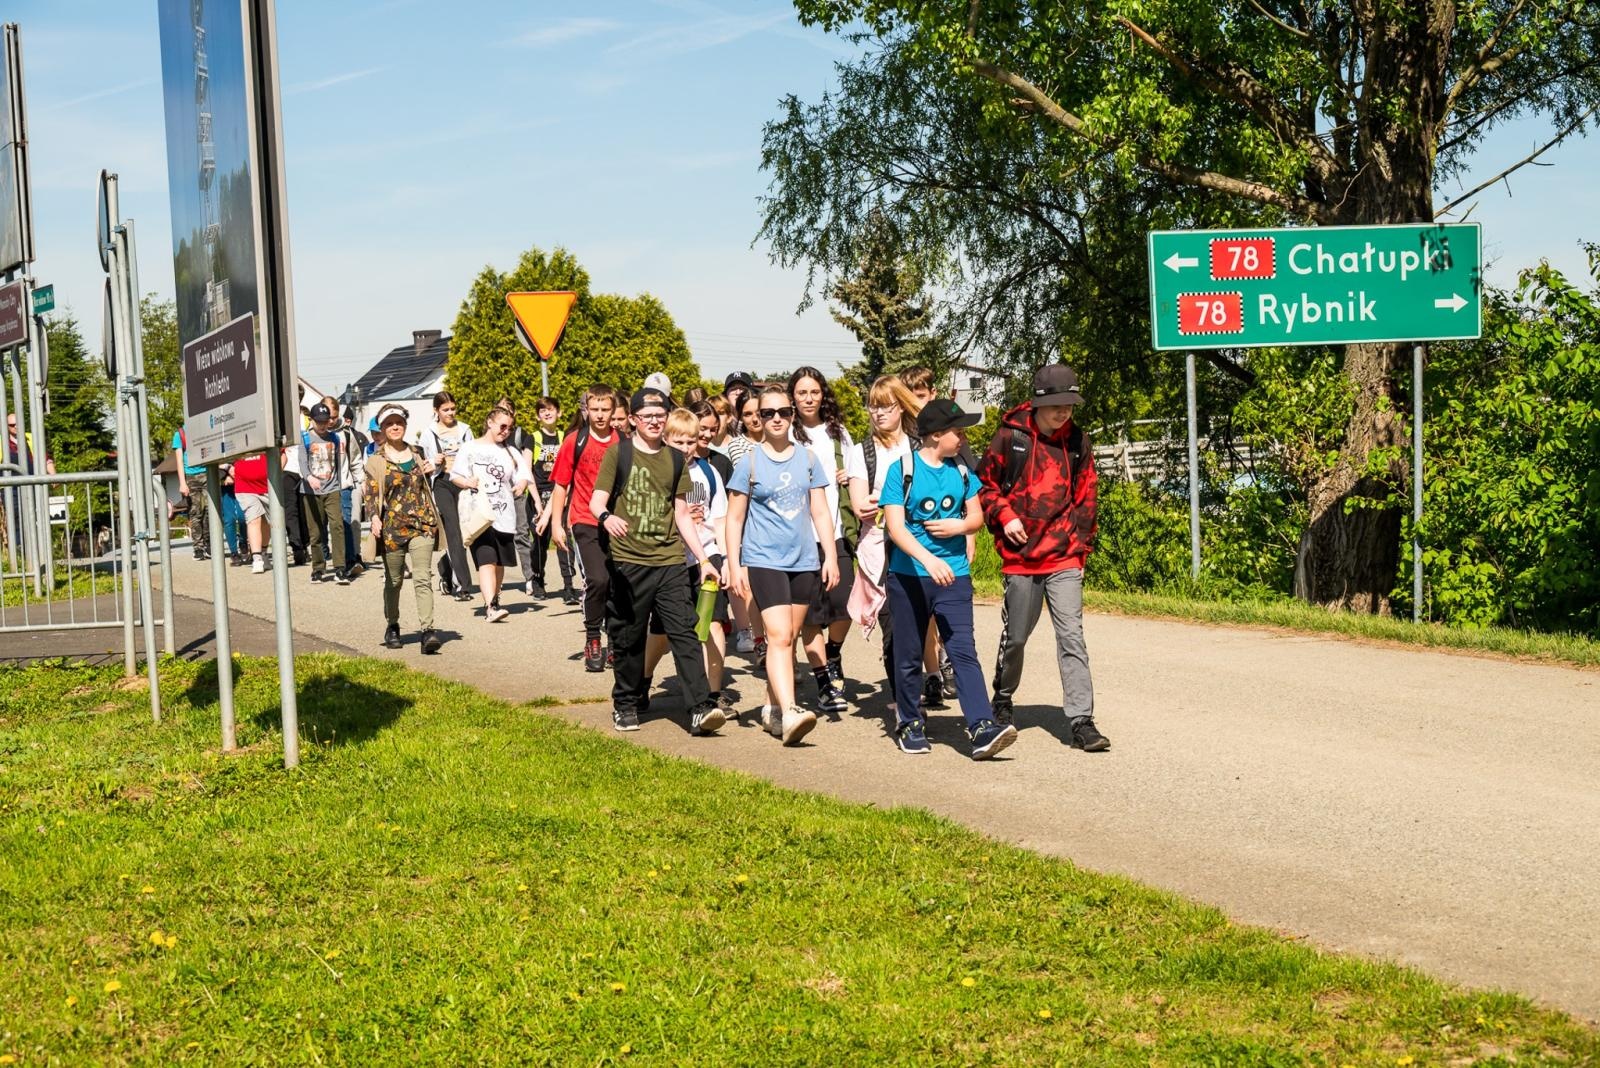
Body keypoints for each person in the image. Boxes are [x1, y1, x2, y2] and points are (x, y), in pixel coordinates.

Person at [978, 364, 1108, 751]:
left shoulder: (1077, 441)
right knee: (1016, 637)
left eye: (1069, 404)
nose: (1064, 412)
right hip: (1021, 557)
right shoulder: (1010, 437)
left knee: (1072, 637)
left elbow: (1087, 496)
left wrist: (1081, 547)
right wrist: (1005, 515)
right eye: (1056, 405)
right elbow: (984, 486)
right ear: (1038, 403)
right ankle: (1002, 699)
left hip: (1065, 554)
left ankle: (1082, 720)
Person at [881, 398, 1016, 759]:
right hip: (908, 576)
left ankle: (981, 726)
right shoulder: (903, 470)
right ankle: (909, 722)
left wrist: (962, 525)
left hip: (955, 575)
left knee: (962, 650)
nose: (964, 437)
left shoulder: (961, 470)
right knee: (909, 653)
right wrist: (927, 559)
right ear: (936, 435)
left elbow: (976, 517)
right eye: (958, 431)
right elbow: (895, 528)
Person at [590, 388, 725, 736]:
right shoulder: (617, 455)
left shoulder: (676, 460)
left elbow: (682, 515)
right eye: (647, 415)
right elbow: (597, 500)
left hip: (669, 562)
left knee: (684, 633)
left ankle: (700, 708)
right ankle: (626, 703)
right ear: (633, 419)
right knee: (629, 638)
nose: (654, 421)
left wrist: (704, 559)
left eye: (659, 415)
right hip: (628, 561)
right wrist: (606, 517)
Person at [726, 385, 839, 745]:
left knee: (788, 639)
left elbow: (820, 510)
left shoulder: (807, 459)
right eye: (768, 413)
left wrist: (830, 556)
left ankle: (772, 708)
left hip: (804, 560)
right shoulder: (750, 462)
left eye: (783, 412)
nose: (776, 419)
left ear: (792, 415)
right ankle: (790, 710)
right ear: (758, 418)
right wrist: (735, 563)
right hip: (763, 560)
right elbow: (733, 519)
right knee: (777, 636)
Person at [641, 407, 733, 712]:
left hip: (707, 556)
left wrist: (728, 560)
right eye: (679, 442)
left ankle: (712, 693)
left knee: (713, 624)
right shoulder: (655, 471)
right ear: (666, 440)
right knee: (664, 632)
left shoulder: (708, 473)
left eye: (691, 442)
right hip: (670, 560)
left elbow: (721, 519)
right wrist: (677, 518)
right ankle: (644, 677)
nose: (686, 448)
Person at [845, 374, 920, 693]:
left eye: (885, 406)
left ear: (901, 407)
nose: (877, 413)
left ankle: (921, 684)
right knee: (892, 625)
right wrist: (888, 504)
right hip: (879, 552)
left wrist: (889, 502)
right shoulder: (862, 452)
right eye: (872, 407)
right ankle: (906, 700)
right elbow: (860, 505)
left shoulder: (919, 447)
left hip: (920, 547)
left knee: (918, 625)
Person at [788, 366, 854, 714]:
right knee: (811, 615)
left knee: (846, 603)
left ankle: (833, 653)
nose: (809, 398)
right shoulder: (787, 433)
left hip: (837, 532)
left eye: (814, 392)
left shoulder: (837, 432)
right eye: (802, 393)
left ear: (822, 394)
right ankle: (824, 681)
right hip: (799, 537)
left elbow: (855, 470)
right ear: (793, 398)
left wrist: (847, 474)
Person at [547, 386, 620, 668]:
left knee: (617, 582)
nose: (600, 416)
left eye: (605, 410)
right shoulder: (574, 441)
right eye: (595, 410)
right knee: (598, 579)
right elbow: (561, 486)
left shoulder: (622, 442)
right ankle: (593, 637)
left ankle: (614, 642)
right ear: (586, 410)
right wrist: (556, 524)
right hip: (584, 520)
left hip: (616, 523)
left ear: (613, 412)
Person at [364, 404, 442, 654]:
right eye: (389, 424)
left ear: (405, 426)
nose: (395, 427)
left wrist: (434, 469)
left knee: (422, 577)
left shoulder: (417, 453)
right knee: (394, 580)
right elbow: (371, 494)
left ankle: (428, 631)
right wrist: (375, 517)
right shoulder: (376, 461)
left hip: (422, 524)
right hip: (393, 528)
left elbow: (428, 482)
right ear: (383, 429)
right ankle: (393, 625)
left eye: (398, 422)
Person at [451, 407, 531, 623]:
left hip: (504, 515)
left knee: (499, 562)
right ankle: (490, 606)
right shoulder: (470, 448)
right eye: (502, 426)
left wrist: (521, 485)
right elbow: (455, 475)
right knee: (486, 559)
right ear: (489, 422)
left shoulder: (510, 451)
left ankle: (495, 598)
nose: (505, 431)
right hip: (480, 514)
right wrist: (467, 482)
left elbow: (523, 474)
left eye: (509, 428)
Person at [420, 391, 474, 600]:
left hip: (462, 483)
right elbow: (423, 465)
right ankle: (463, 586)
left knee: (466, 531)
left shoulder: (465, 430)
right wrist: (435, 461)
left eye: (452, 408)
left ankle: (445, 566)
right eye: (445, 410)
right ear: (436, 411)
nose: (450, 413)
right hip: (442, 483)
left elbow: (473, 455)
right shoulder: (429, 433)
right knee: (453, 531)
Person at [723, 388, 765, 655]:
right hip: (750, 523)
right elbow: (752, 479)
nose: (755, 419)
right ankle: (759, 639)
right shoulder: (738, 445)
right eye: (747, 414)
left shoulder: (792, 441)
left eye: (759, 412)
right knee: (751, 587)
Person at [494, 396, 543, 598]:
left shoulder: (520, 434)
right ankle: (495, 580)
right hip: (495, 494)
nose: (506, 413)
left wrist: (528, 489)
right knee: (496, 536)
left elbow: (526, 466)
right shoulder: (487, 436)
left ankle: (530, 577)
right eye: (501, 409)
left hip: (516, 491)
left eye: (509, 409)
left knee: (521, 534)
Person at [529, 396, 575, 602]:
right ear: (538, 416)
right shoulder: (533, 438)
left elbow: (571, 470)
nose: (547, 413)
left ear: (559, 412)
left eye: (550, 409)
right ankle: (538, 579)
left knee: (564, 540)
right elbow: (526, 472)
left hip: (560, 495)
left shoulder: (566, 437)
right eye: (542, 411)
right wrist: (537, 502)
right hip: (539, 496)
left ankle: (568, 586)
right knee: (540, 541)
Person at [299, 403, 349, 584]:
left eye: (325, 421)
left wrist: (339, 484)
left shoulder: (334, 438)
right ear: (311, 420)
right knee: (316, 531)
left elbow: (338, 463)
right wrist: (308, 477)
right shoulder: (305, 438)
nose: (322, 425)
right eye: (318, 421)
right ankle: (318, 568)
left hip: (332, 488)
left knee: (337, 526)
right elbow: (302, 462)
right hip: (311, 491)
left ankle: (340, 568)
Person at [336, 403, 370, 574]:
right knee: (339, 523)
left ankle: (355, 555)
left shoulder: (357, 436)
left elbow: (358, 460)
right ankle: (338, 557)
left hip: (352, 482)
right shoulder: (331, 433)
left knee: (353, 520)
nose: (346, 420)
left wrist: (362, 482)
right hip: (333, 484)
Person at [171, 427, 210, 561]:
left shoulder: (204, 427)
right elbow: (179, 461)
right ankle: (198, 547)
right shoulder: (180, 434)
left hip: (208, 472)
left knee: (210, 510)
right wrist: (182, 482)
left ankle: (209, 543)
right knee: (195, 512)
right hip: (191, 476)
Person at [232, 451, 270, 573]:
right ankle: (257, 558)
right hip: (245, 486)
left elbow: (282, 453)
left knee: (267, 522)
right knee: (254, 519)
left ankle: (263, 553)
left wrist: (276, 473)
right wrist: (228, 468)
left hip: (268, 486)